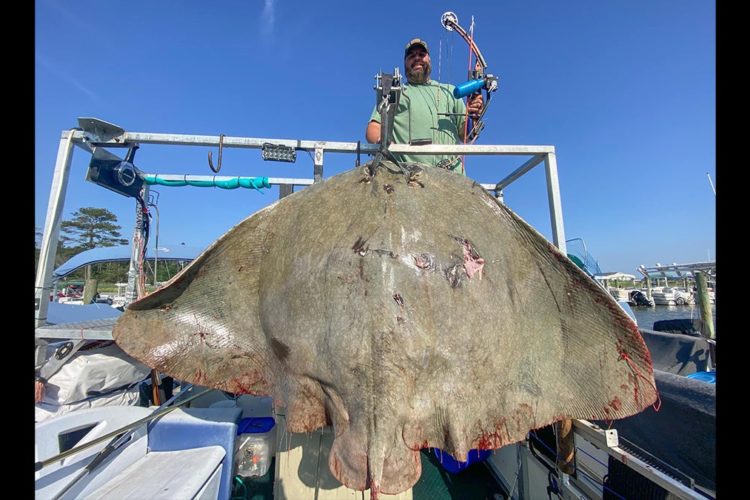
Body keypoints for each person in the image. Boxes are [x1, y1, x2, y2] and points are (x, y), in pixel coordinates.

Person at [365, 38, 484, 175]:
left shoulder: (450, 91)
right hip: (408, 179)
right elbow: (373, 127)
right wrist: (381, 140)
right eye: (411, 56)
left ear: (429, 59)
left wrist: (473, 115)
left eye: (422, 54)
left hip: (452, 178)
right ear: (405, 63)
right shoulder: (395, 92)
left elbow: (466, 135)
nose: (417, 58)